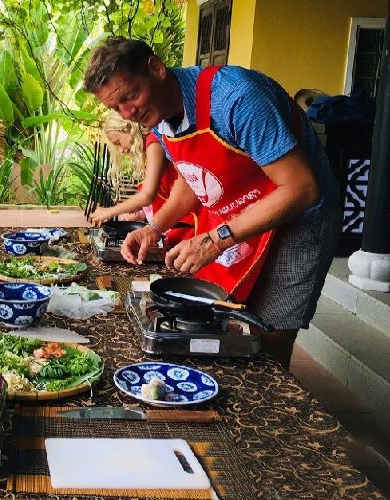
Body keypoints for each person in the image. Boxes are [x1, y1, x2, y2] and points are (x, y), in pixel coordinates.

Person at [83, 37, 341, 368]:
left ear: (156, 69)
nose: (128, 113)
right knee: (230, 317)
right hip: (242, 214)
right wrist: (154, 227)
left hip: (299, 221)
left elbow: (302, 188)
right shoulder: (159, 116)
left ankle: (273, 411)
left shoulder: (236, 100)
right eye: (116, 107)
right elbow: (192, 179)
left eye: (131, 95)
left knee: (270, 331)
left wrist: (214, 239)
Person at [90, 111, 196, 248]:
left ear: (127, 129)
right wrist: (139, 215)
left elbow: (147, 196)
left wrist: (109, 211)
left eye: (117, 143)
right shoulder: (148, 148)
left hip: (186, 224)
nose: (121, 150)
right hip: (173, 223)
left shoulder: (153, 143)